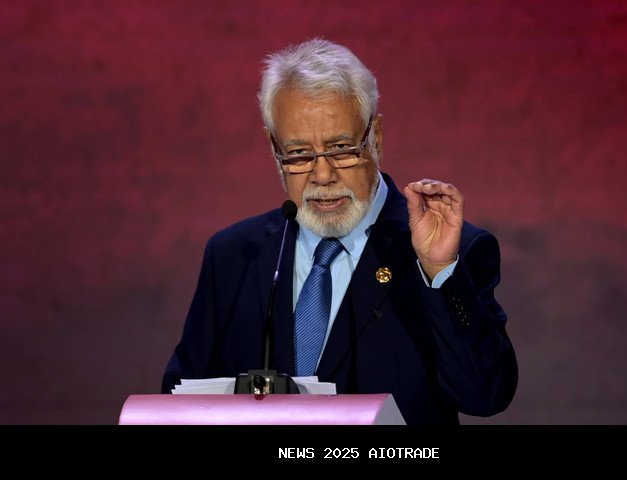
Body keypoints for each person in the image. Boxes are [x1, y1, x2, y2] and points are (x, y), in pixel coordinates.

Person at [162, 38, 518, 425]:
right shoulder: (235, 255)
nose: (323, 174)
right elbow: (179, 401)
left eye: (341, 148)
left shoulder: (445, 252)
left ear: (375, 137)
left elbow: (484, 395)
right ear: (273, 146)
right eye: (299, 153)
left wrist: (439, 272)